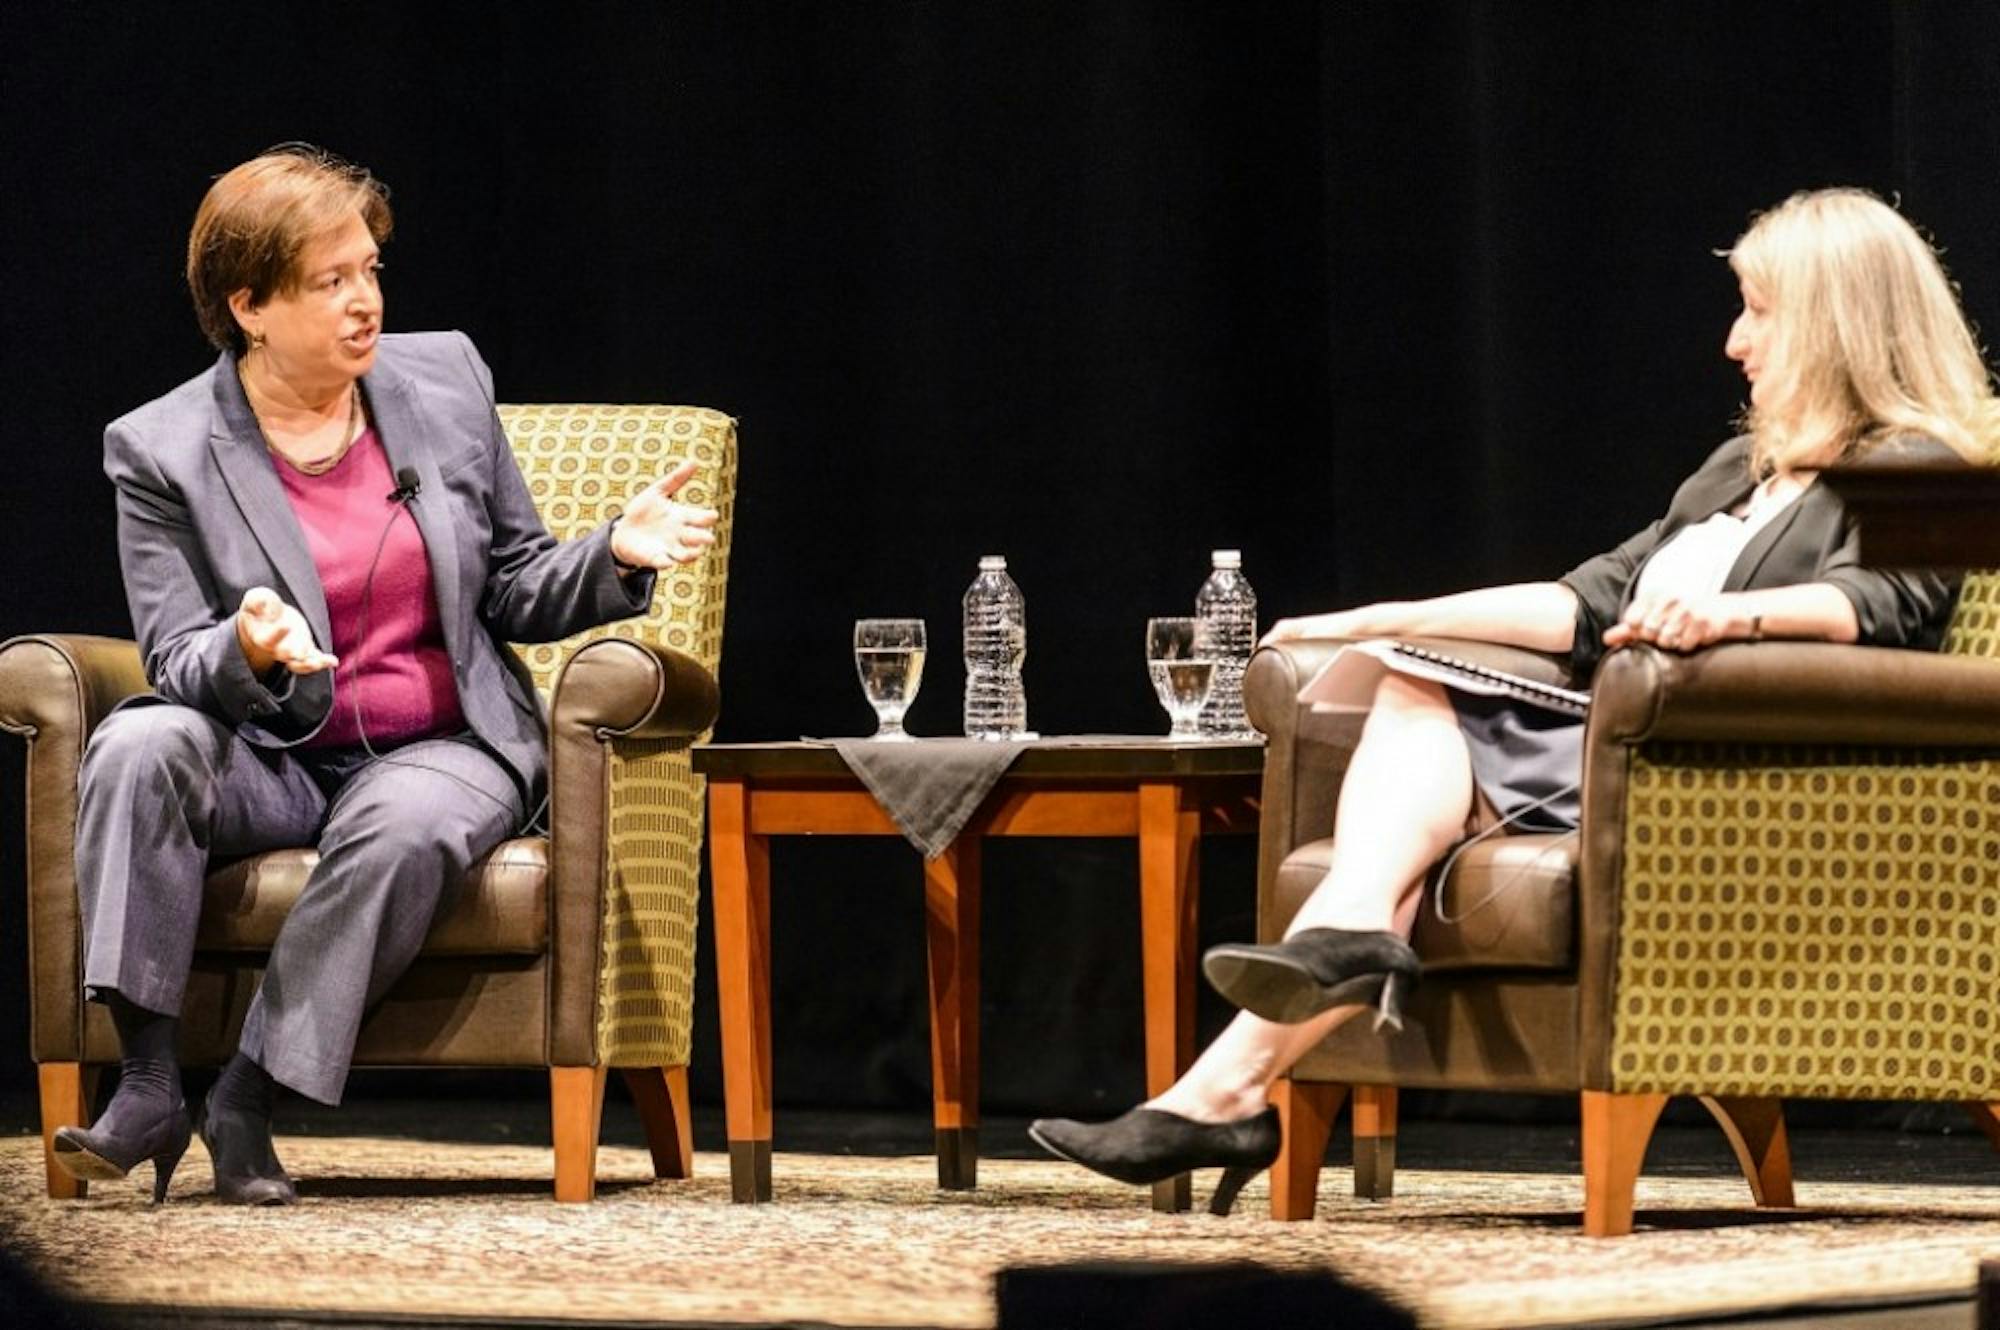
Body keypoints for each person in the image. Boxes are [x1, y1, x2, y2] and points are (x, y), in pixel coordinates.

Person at [1030, 187, 2000, 1215]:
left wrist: (1726, 623)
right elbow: (1580, 602)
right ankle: (1266, 1033)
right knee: (1412, 669)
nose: (1732, 341)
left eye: (1756, 310)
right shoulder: (1738, 469)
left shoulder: (1921, 462)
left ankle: (1248, 1059)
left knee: (1417, 717)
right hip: (1627, 747)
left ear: (1832, 319)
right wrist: (1369, 617)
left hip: (1730, 785)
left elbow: (1877, 608)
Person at [54, 144, 718, 1206]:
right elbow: (176, 654)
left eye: (369, 270)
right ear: (249, 305)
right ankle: (143, 1081)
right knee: (136, 739)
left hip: (442, 742)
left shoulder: (443, 379)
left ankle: (247, 1095)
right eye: (330, 282)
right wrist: (246, 646)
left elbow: (512, 583)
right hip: (266, 751)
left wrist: (612, 555)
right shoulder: (160, 447)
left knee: (402, 823)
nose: (364, 301)